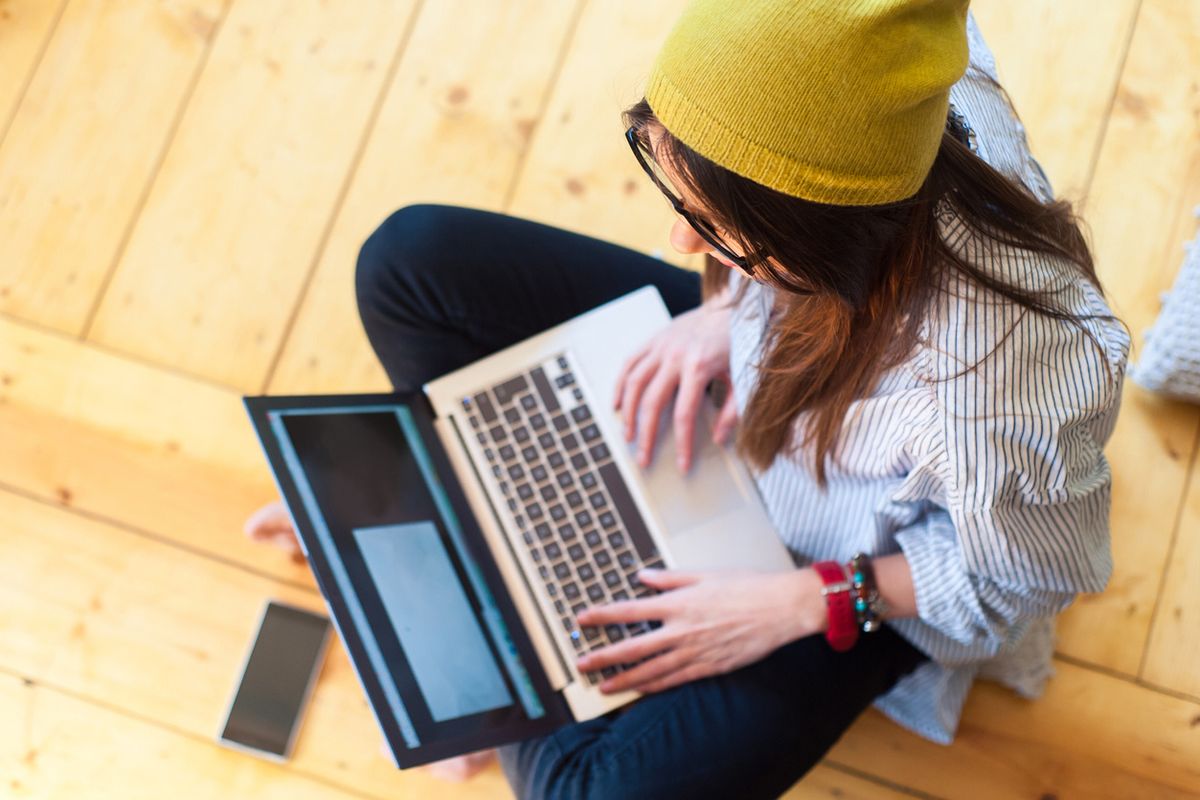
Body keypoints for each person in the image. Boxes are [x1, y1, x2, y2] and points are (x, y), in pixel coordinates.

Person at [246, 0, 1130, 796]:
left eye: (710, 227)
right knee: (407, 263)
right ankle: (482, 537)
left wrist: (802, 603)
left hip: (838, 561)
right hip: (765, 368)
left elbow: (1029, 575)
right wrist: (728, 307)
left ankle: (471, 573)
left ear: (818, 241)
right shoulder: (895, 66)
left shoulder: (1005, 395)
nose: (676, 238)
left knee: (581, 794)